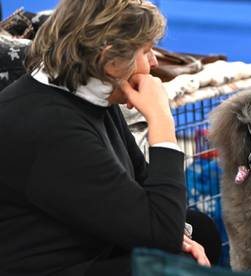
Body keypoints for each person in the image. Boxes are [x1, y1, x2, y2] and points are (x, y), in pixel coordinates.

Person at [0, 0, 218, 275]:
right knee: (174, 264)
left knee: (200, 229)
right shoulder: (49, 125)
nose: (153, 63)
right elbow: (160, 233)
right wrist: (161, 120)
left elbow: (141, 180)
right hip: (54, 266)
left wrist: (178, 234)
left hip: (87, 241)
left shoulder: (86, 92)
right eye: (147, 51)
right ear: (109, 58)